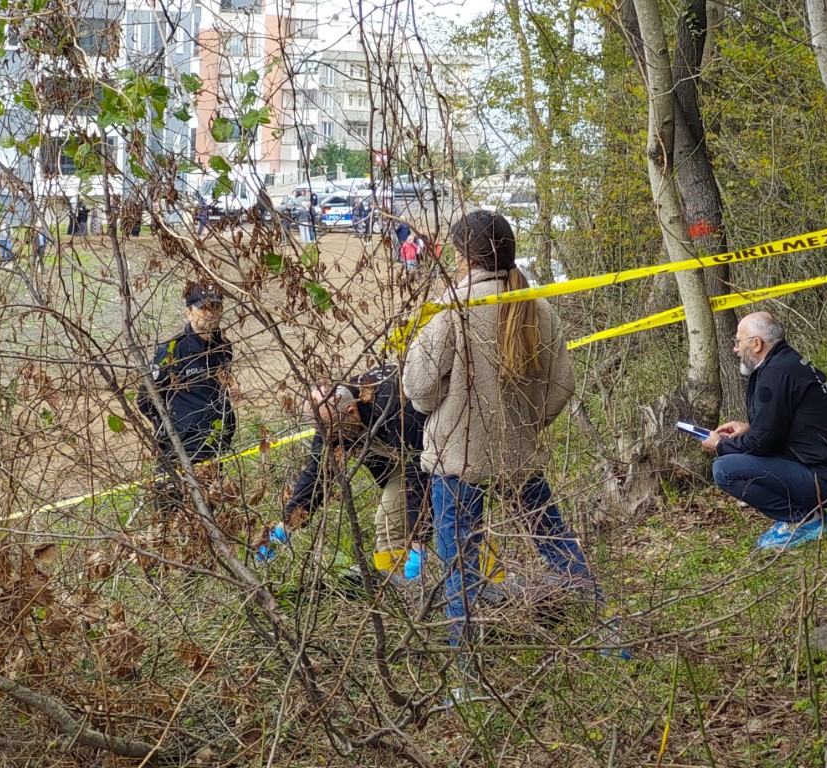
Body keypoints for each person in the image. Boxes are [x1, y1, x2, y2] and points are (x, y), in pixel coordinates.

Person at [403, 210, 622, 666]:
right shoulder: (539, 305)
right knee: (557, 542)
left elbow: (419, 387)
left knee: (460, 563)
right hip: (519, 454)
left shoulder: (452, 311)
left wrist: (442, 409)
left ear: (463, 256)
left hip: (457, 458)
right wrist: (527, 423)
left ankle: (464, 669)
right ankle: (609, 631)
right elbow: (560, 387)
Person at [700, 311, 827, 549]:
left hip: (825, 479)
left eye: (737, 342)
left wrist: (720, 445)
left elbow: (763, 443)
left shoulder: (775, 374)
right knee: (733, 460)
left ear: (756, 344)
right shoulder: (788, 364)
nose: (735, 349)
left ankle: (803, 519)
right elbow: (787, 424)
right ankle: (808, 515)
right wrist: (748, 428)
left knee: (724, 469)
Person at [257, 365, 430, 586]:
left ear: (351, 412)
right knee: (388, 518)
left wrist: (419, 540)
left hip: (437, 449)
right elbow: (317, 474)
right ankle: (399, 585)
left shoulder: (395, 409)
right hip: (402, 455)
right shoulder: (331, 417)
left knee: (450, 515)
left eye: (332, 429)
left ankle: (439, 581)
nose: (329, 437)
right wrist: (286, 525)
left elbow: (421, 475)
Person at [138, 282, 237, 473]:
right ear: (189, 313)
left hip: (214, 444)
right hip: (180, 450)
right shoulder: (171, 350)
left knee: (210, 503)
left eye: (215, 306)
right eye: (203, 308)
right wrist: (172, 429)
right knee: (175, 501)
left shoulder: (224, 346)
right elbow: (145, 399)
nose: (210, 313)